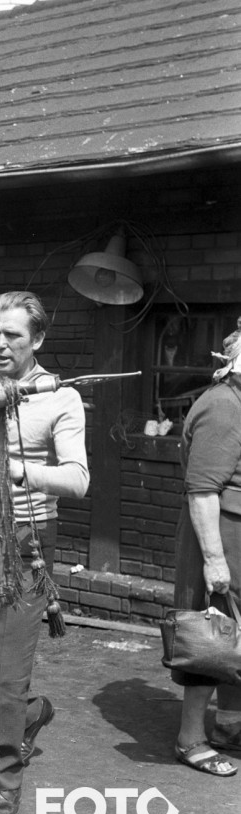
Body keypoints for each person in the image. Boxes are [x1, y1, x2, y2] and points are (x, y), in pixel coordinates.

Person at [0, 291, 89, 814]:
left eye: (13, 334)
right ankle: (30, 713)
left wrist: (20, 471)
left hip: (28, 542)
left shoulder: (60, 398)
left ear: (38, 339)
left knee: (7, 671)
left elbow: (78, 479)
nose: (1, 343)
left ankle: (3, 781)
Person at [170, 318, 241, 777]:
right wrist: (215, 561)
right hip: (221, 537)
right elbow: (201, 491)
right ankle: (190, 739)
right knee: (210, 637)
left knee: (235, 638)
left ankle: (230, 724)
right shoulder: (224, 406)